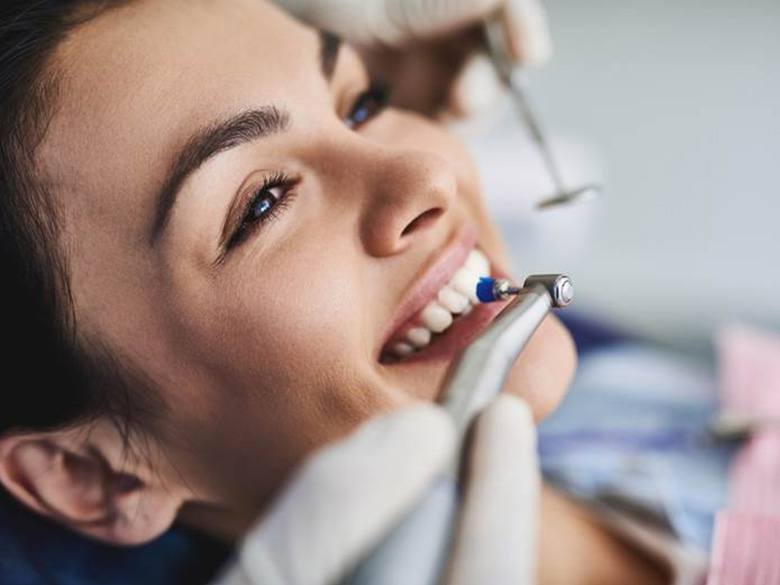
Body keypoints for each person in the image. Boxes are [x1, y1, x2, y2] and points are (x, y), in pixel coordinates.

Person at [0, 1, 668, 583]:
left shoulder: (654, 387)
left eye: (363, 102)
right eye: (263, 203)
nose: (429, 174)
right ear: (86, 472)